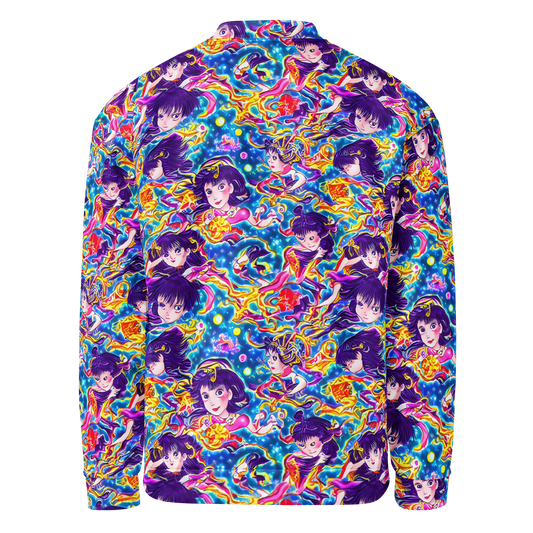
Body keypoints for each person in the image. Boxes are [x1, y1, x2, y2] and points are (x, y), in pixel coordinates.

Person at [77, 17, 458, 512]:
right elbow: (424, 293)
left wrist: (110, 483)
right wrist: (422, 483)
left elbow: (108, 302)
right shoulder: (401, 103)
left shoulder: (132, 104)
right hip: (344, 475)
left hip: (182, 476)